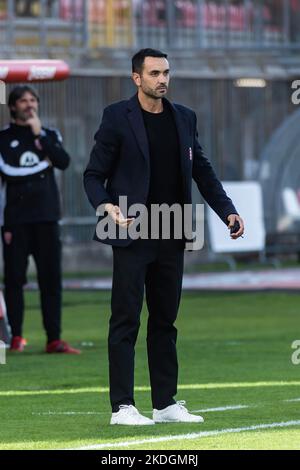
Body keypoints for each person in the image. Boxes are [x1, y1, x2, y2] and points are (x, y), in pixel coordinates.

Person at [84, 48, 244, 426]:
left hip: (172, 230)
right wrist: (105, 205)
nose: (162, 79)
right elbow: (93, 174)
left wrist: (228, 211)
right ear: (136, 78)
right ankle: (122, 406)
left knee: (165, 321)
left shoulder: (184, 118)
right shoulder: (116, 118)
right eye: (154, 73)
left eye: (166, 72)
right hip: (130, 228)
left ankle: (165, 403)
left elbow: (201, 171)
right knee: (125, 320)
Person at [0, 85, 80, 354]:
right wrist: (41, 166)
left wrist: (40, 136)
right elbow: (9, 172)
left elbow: (63, 161)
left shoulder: (49, 134)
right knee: (14, 280)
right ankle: (16, 337)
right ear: (13, 107)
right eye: (23, 101)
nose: (30, 105)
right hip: (16, 222)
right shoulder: (3, 139)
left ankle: (54, 339)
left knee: (51, 280)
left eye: (33, 100)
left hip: (47, 218)